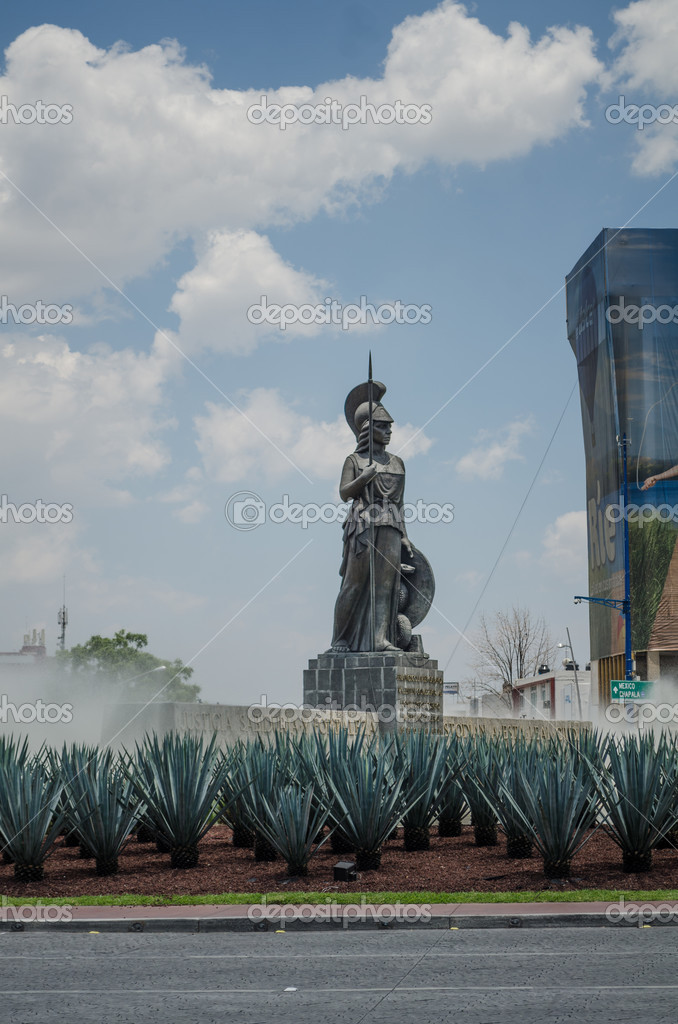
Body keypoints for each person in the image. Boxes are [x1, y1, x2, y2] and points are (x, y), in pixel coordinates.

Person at [329, 398, 413, 653]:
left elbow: (400, 502)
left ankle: (380, 639)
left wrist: (405, 536)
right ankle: (340, 639)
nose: (389, 431)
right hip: (363, 525)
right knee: (354, 584)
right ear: (369, 428)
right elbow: (345, 493)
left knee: (386, 587)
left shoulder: (397, 462)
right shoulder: (354, 460)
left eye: (390, 427)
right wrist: (363, 478)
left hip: (391, 527)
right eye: (383, 426)